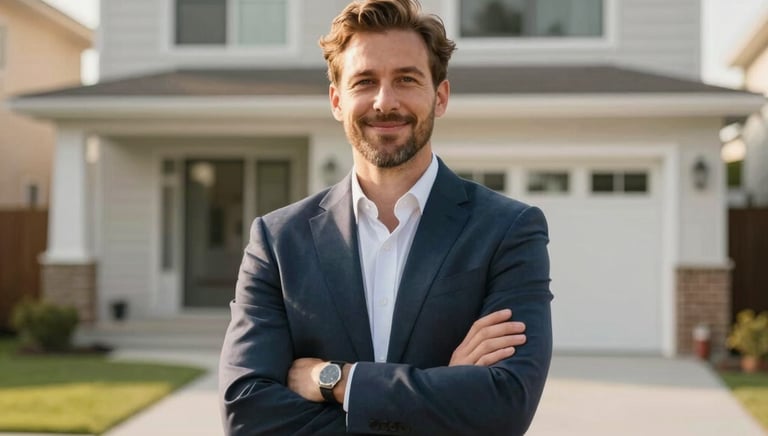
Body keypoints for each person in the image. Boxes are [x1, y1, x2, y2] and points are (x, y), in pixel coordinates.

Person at [218, 0, 553, 434]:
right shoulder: (278, 242)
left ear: (441, 96)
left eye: (406, 80)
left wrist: (337, 380)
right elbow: (247, 415)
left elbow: (506, 406)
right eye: (365, 81)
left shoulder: (509, 231)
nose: (384, 101)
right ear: (337, 101)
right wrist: (445, 391)